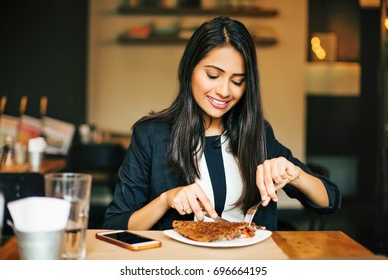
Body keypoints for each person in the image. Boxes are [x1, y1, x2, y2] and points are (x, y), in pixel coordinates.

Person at [104, 16, 341, 231]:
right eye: (213, 76)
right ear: (190, 70)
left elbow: (330, 200)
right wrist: (165, 200)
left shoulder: (257, 134)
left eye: (237, 81)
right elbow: (115, 224)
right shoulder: (151, 135)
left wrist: (295, 174)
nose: (225, 91)